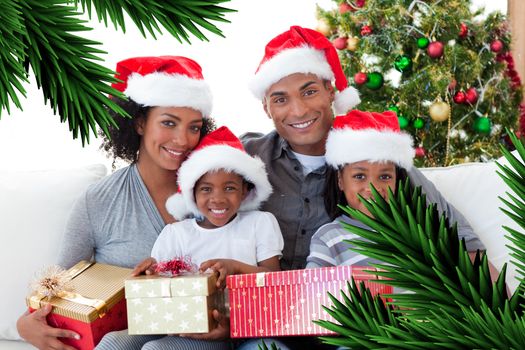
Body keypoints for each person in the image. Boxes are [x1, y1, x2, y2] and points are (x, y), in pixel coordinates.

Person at [239, 25, 486, 350]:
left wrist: (501, 321)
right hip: (262, 323)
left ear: (331, 90)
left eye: (309, 91)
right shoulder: (245, 159)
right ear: (266, 108)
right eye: (280, 99)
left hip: (353, 328)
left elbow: (466, 249)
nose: (297, 110)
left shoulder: (379, 162)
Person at [16, 55, 218, 350]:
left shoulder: (218, 192)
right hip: (129, 334)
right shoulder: (98, 200)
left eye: (194, 127)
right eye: (168, 123)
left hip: (203, 334)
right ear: (139, 123)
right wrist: (25, 324)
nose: (183, 139)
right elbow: (59, 284)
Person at [306, 109, 486, 269]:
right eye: (359, 176)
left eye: (385, 177)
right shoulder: (328, 239)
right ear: (340, 181)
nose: (373, 188)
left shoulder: (418, 230)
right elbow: (312, 295)